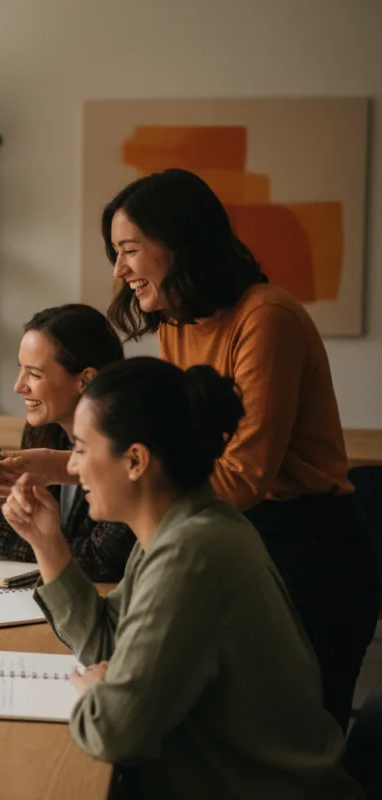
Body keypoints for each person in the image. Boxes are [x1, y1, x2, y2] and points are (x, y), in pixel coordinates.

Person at [2, 356, 357, 798]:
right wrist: (47, 544)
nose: (71, 469)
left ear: (135, 461)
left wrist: (96, 691)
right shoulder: (180, 528)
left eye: (79, 449)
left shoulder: (192, 554)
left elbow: (114, 732)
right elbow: (109, 643)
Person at [101, 167, 378, 730]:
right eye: (116, 252)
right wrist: (64, 464)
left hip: (306, 549)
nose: (119, 269)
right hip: (231, 534)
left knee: (294, 742)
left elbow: (243, 477)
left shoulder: (266, 318)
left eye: (130, 250)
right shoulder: (178, 322)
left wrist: (139, 500)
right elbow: (177, 449)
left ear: (178, 243)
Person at [0, 305, 135, 581]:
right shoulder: (43, 433)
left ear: (86, 380)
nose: (18, 387)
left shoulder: (126, 450)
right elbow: (41, 532)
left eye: (35, 374)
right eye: (21, 371)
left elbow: (103, 560)